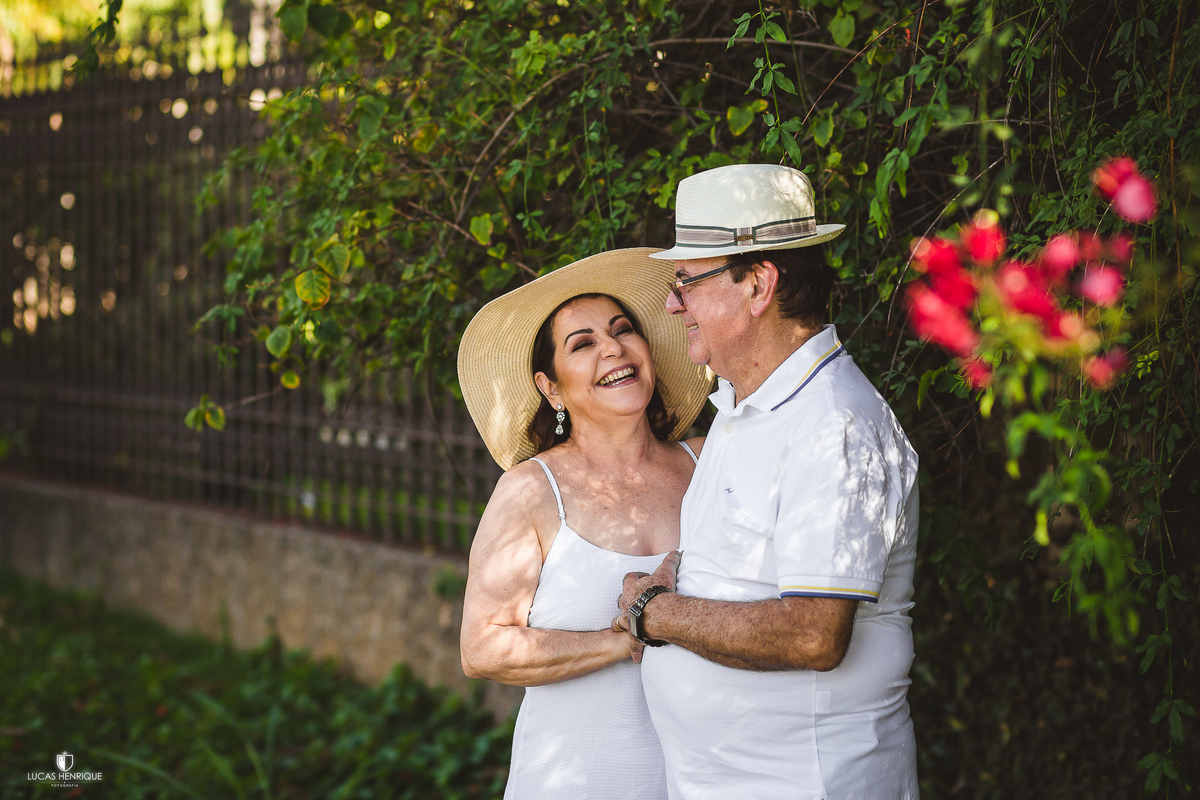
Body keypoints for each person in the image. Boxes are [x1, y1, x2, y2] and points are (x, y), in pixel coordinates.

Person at [614, 163, 920, 799]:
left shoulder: (831, 424)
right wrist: (677, 569)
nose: (672, 304)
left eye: (686, 282)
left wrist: (657, 613)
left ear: (757, 284)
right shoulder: (742, 405)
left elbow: (813, 632)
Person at [456, 248, 714, 800]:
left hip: (704, 779)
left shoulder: (706, 463)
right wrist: (625, 639)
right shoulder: (531, 491)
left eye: (623, 331)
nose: (614, 348)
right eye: (583, 344)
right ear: (551, 388)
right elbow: (483, 648)